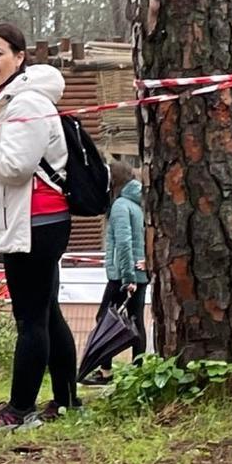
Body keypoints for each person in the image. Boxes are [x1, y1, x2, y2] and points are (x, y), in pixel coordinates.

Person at [0, 23, 78, 429]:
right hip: (19, 219)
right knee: (46, 312)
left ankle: (20, 408)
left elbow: (14, 167)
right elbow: (1, 178)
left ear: (19, 57)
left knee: (30, 318)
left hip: (38, 221)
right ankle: (66, 399)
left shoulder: (27, 102)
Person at [83, 161, 147, 385]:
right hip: (139, 272)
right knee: (136, 320)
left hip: (123, 275)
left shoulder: (120, 205)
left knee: (104, 318)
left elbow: (124, 242)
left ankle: (105, 372)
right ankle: (138, 372)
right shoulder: (139, 203)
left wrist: (127, 277)